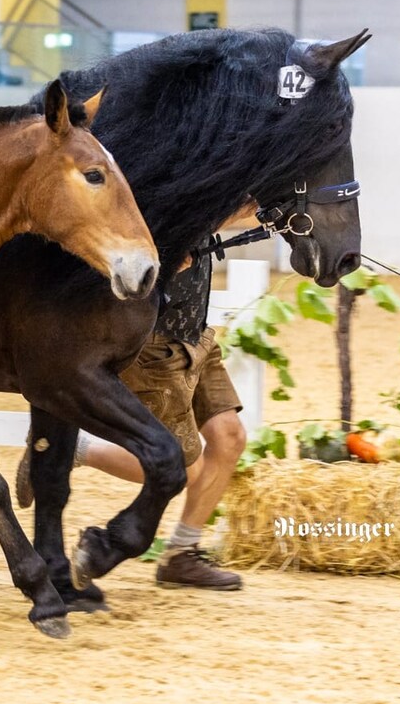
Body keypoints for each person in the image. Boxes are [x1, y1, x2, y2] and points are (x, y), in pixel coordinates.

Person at [17, 253, 245, 591]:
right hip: (155, 338)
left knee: (230, 437)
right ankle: (68, 450)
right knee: (182, 469)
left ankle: (181, 555)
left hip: (194, 330)